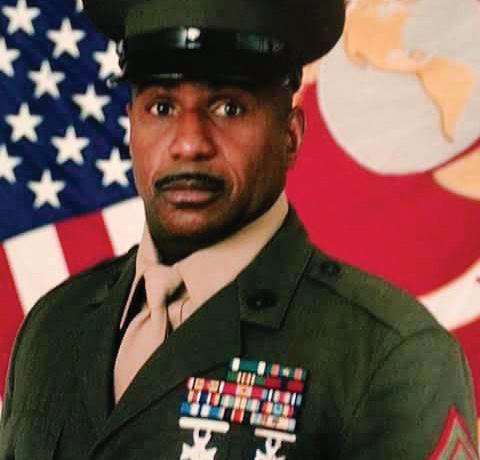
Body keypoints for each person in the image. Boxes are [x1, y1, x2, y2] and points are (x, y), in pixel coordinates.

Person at [0, 0, 478, 459]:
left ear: (290, 136)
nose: (189, 143)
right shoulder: (51, 327)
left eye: (228, 107)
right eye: (161, 108)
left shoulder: (388, 356)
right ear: (130, 126)